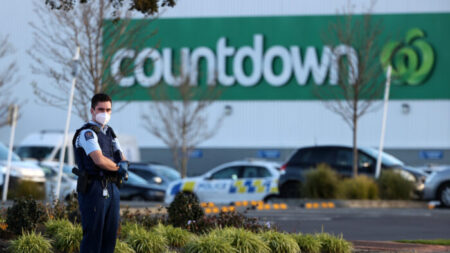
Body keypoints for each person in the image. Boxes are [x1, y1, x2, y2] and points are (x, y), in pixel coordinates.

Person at [73, 93, 128, 253]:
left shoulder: (110, 133)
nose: (105, 113)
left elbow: (122, 158)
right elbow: (99, 160)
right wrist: (119, 168)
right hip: (94, 188)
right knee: (93, 236)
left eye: (108, 110)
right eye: (101, 109)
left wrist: (122, 165)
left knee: (110, 237)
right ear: (92, 110)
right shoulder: (87, 133)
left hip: (112, 187)